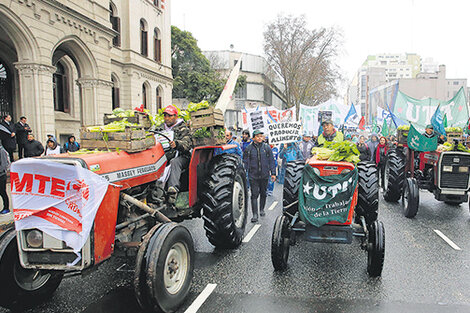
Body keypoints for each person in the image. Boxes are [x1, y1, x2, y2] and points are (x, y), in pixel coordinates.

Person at [155, 105, 193, 203]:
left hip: (181, 156)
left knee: (174, 162)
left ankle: (173, 190)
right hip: (163, 156)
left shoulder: (183, 128)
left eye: (170, 116)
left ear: (176, 117)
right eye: (165, 116)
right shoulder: (159, 128)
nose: (167, 118)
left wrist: (177, 144)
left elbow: (187, 144)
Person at [243, 129, 276, 223]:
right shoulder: (249, 149)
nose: (260, 138)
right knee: (254, 195)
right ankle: (255, 214)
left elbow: (271, 161)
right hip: (253, 175)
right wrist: (246, 173)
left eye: (261, 136)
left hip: (264, 175)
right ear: (253, 138)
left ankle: (261, 209)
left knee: (263, 193)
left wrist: (273, 173)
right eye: (258, 136)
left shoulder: (267, 148)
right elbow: (245, 162)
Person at [0, 144, 10, 214]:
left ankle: (6, 207)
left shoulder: (2, 151)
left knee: (2, 192)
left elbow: (3, 165)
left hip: (1, 175)